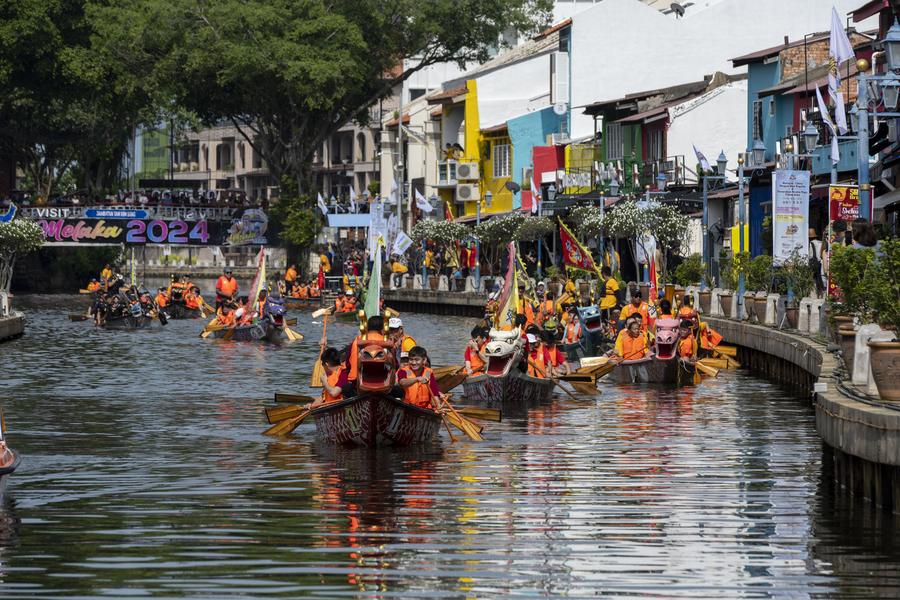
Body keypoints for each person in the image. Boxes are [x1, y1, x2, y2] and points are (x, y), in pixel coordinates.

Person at [346, 315, 386, 382]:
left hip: (357, 380)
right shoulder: (386, 341)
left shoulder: (358, 339)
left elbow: (348, 363)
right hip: (382, 380)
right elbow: (395, 365)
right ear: (382, 329)